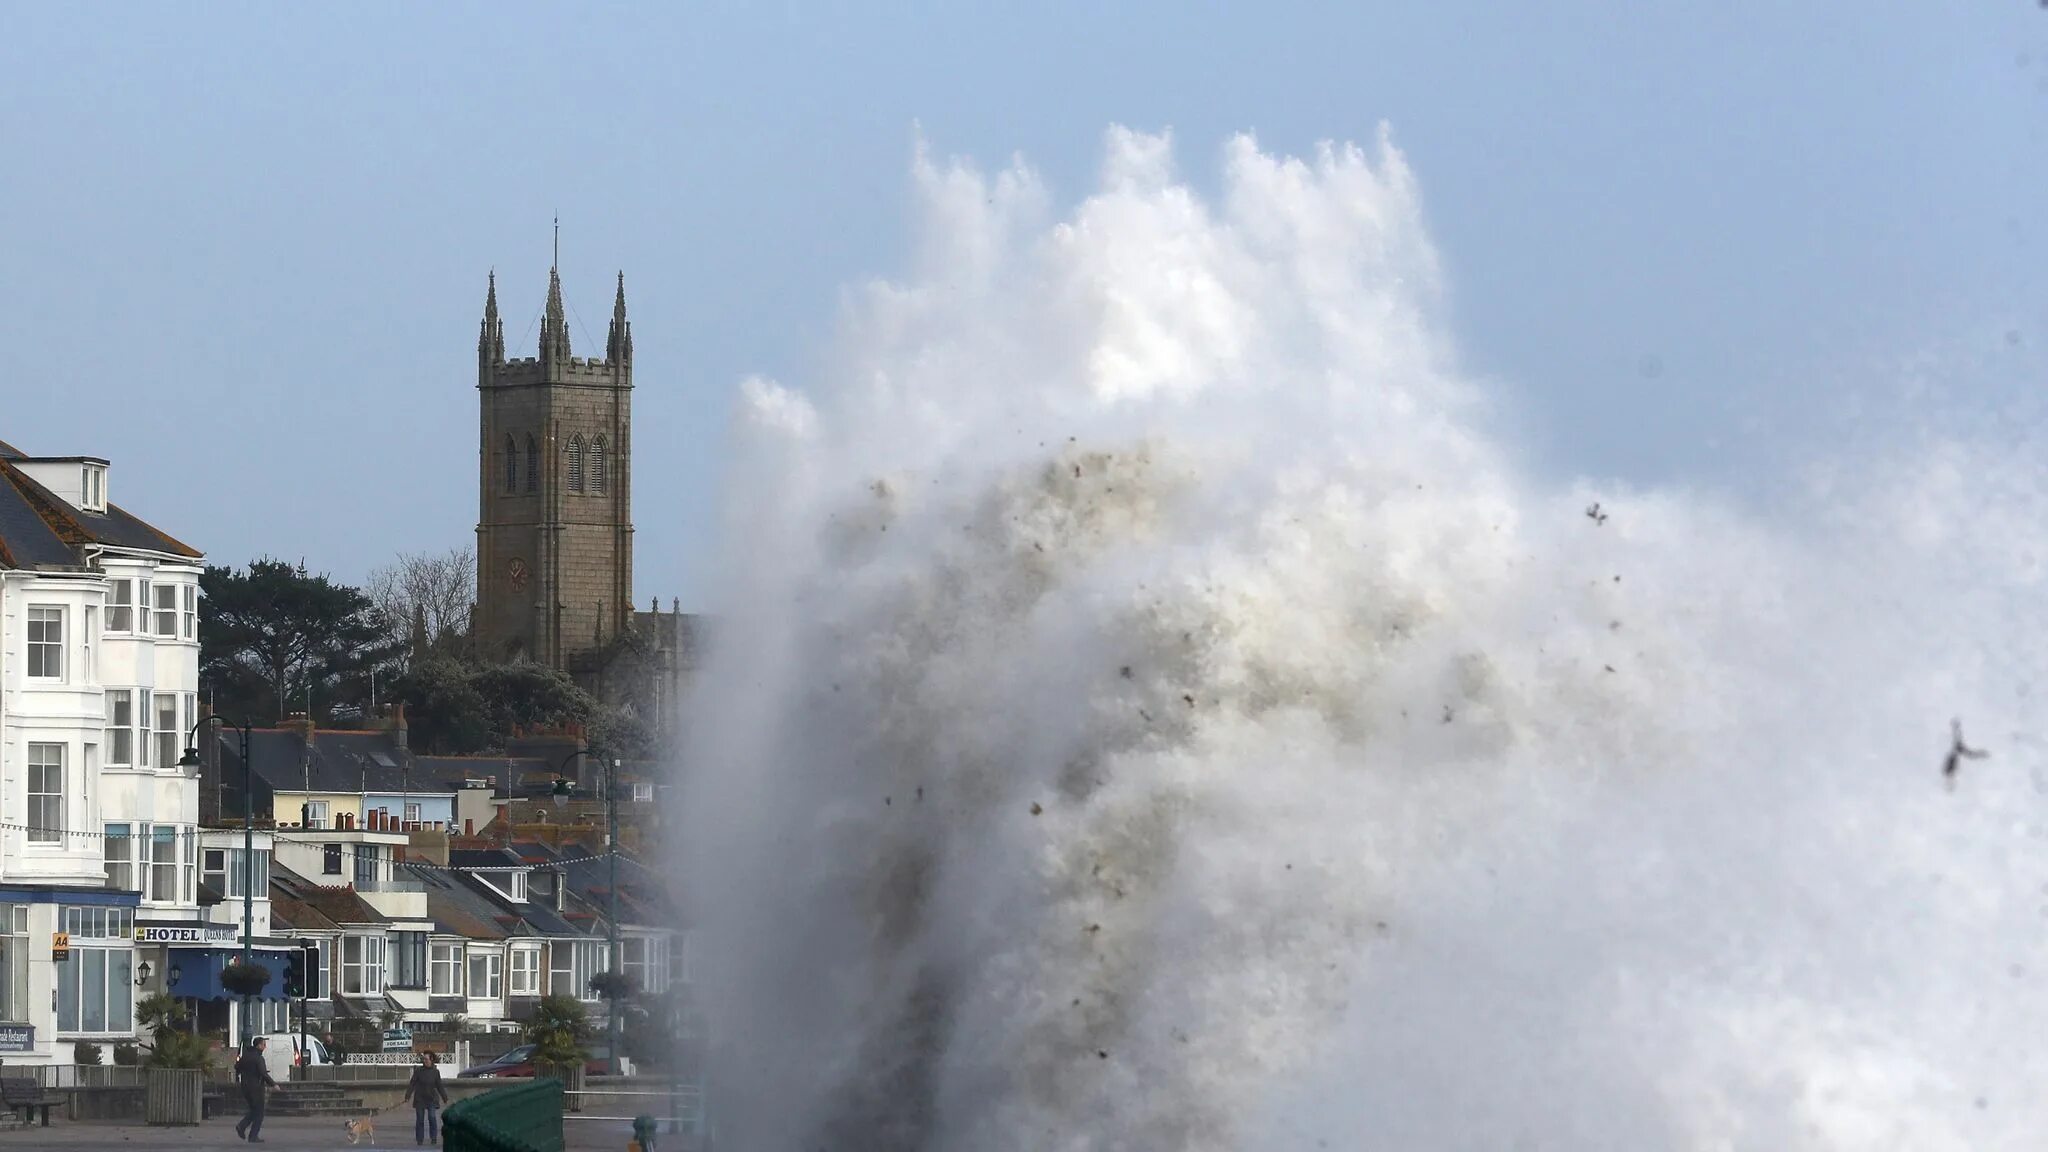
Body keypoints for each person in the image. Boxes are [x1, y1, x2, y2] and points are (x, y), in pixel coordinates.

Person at [234, 1036, 277, 1142]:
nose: (265, 1047)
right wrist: (273, 1084)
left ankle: (243, 1127)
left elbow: (237, 1067)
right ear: (259, 1045)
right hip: (256, 1088)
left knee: (254, 1110)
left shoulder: (246, 1056)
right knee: (259, 1112)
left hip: (245, 1086)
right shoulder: (258, 1058)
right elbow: (263, 1073)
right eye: (263, 1045)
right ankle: (251, 1134)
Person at [405, 1050, 451, 1146]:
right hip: (420, 1099)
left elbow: (439, 1086)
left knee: (432, 1118)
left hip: (432, 1099)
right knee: (420, 1120)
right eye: (424, 1059)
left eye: (426, 1059)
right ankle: (419, 1139)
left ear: (431, 1059)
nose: (425, 1061)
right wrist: (407, 1096)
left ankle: (433, 1138)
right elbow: (412, 1084)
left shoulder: (435, 1072)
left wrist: (445, 1098)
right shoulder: (418, 1071)